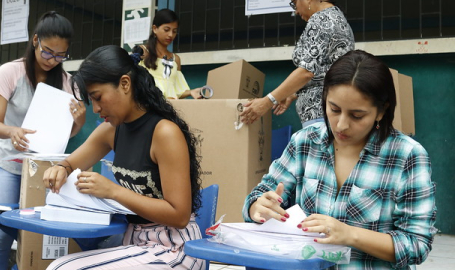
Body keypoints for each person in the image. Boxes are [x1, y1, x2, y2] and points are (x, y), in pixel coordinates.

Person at [242, 50, 437, 269]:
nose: (341, 125)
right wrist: (257, 206)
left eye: (357, 115)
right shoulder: (305, 142)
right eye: (334, 109)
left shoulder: (406, 156)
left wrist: (350, 234)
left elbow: (417, 244)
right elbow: (259, 195)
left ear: (381, 111)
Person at [42, 44, 204, 270]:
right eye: (92, 101)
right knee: (59, 266)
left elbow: (179, 215)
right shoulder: (110, 130)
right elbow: (71, 163)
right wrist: (60, 168)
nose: (96, 109)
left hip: (176, 248)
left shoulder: (164, 133)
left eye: (98, 98)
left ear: (125, 84)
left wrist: (114, 191)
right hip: (135, 243)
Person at [0, 11, 85, 270]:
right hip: (7, 164)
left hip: (43, 170)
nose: (53, 60)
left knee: (39, 234)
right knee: (0, 234)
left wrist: (79, 121)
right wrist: (12, 132)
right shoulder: (10, 72)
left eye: (61, 55)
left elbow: (66, 135)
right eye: (48, 52)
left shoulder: (67, 83)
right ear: (35, 41)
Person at [241, 0, 354, 127]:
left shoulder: (320, 20)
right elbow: (324, 71)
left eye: (294, 3)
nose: (295, 11)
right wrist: (292, 93)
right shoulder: (337, 17)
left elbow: (306, 72)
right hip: (334, 112)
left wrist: (267, 102)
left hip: (320, 115)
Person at [136, 8, 202, 99]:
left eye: (174, 31)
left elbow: (177, 90)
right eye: (166, 30)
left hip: (169, 108)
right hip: (148, 107)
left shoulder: (176, 59)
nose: (171, 35)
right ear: (155, 29)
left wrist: (191, 92)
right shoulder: (143, 51)